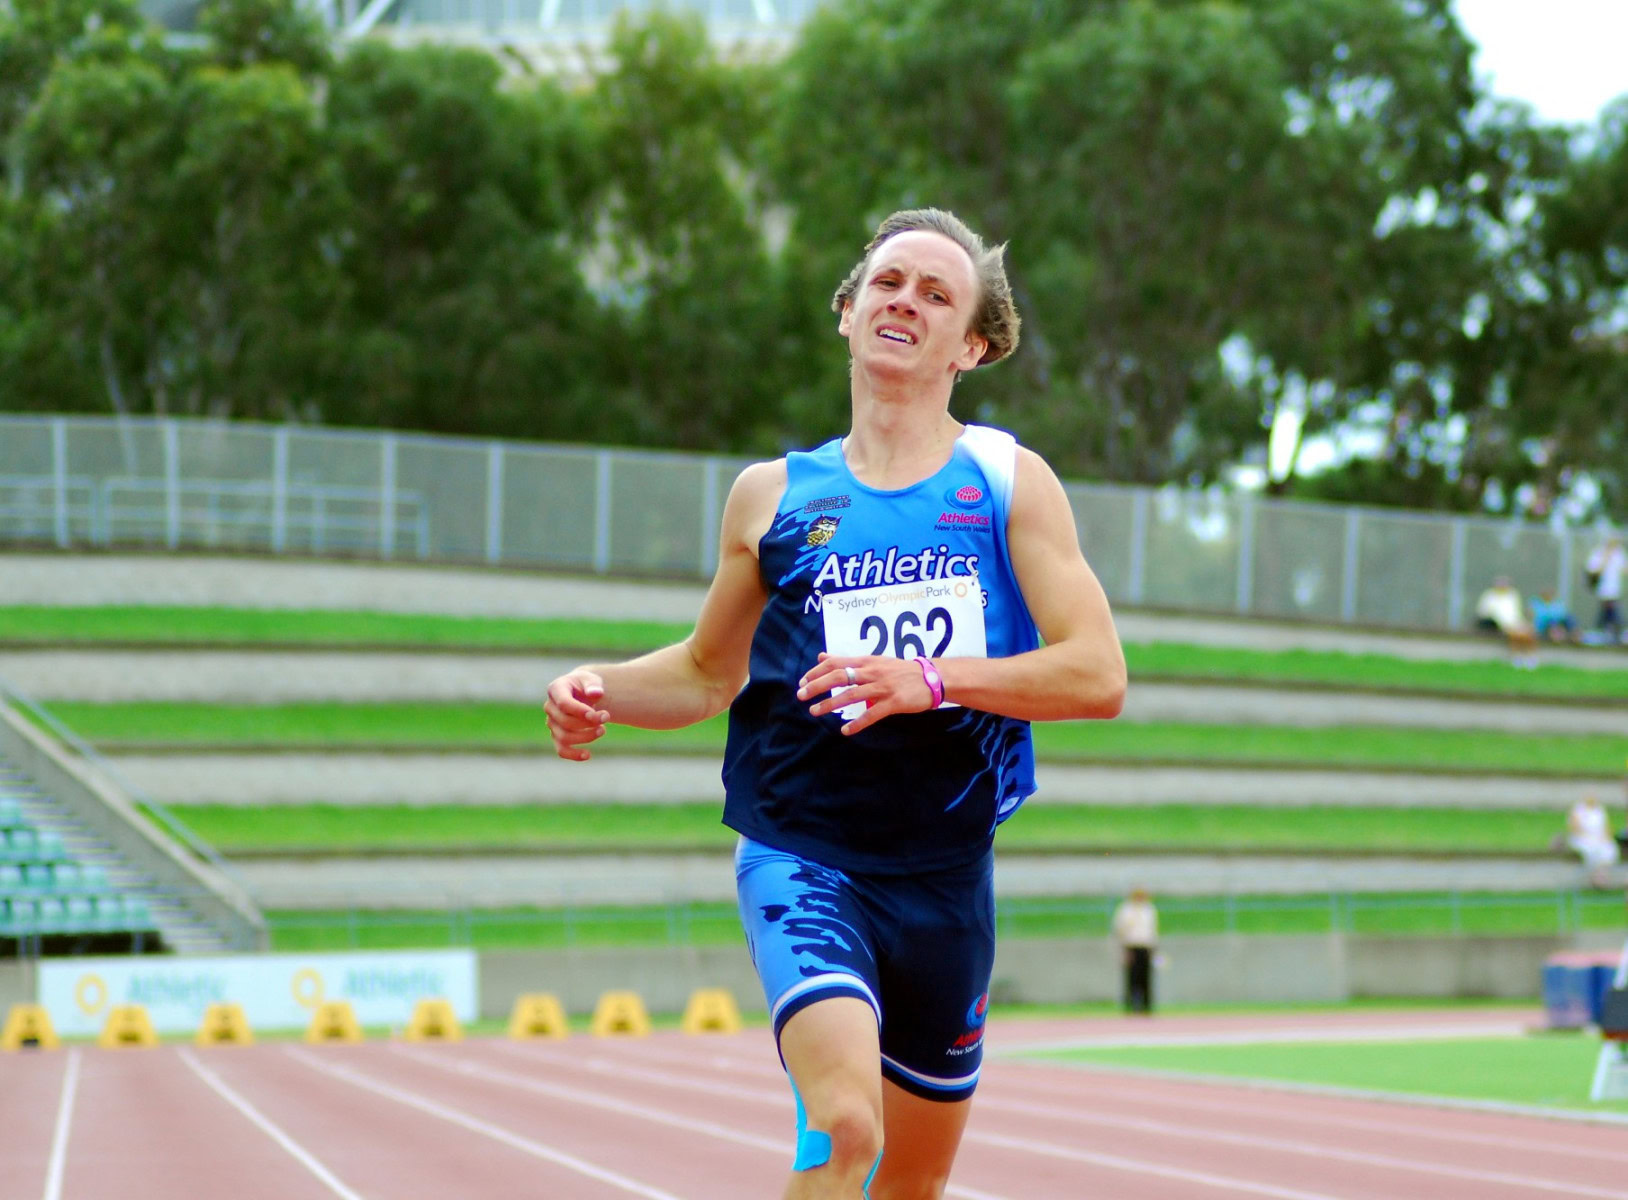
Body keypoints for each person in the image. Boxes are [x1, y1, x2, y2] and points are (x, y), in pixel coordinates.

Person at [544, 208, 1126, 1200]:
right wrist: (597, 689)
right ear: (848, 311)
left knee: (909, 1185)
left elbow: (1096, 674)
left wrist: (930, 680)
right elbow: (707, 672)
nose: (906, 301)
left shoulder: (1005, 482)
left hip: (944, 876)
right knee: (846, 1128)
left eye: (936, 294)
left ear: (972, 346)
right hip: (803, 855)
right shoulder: (771, 496)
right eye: (888, 282)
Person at [1555, 795, 1621, 889]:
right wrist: (1589, 836)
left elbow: (1607, 828)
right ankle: (1595, 876)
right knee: (1591, 849)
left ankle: (1602, 875)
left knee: (1609, 848)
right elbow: (1575, 828)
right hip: (1582, 838)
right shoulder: (1578, 810)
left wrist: (1605, 837)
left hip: (1599, 838)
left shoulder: (1599, 810)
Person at [1111, 887, 1158, 1015]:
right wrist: (1124, 949)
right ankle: (1131, 1005)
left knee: (1146, 977)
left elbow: (1152, 930)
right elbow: (1120, 929)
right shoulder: (1125, 910)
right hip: (1131, 946)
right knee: (1132, 978)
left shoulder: (1149, 909)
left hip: (1146, 946)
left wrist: (1153, 948)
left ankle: (1147, 1006)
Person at [1473, 576, 1539, 667]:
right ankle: (1517, 656)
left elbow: (1517, 612)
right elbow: (1483, 612)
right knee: (1516, 634)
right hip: (1499, 623)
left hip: (1515, 621)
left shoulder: (1513, 595)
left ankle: (1530, 656)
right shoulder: (1489, 596)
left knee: (1529, 633)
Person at [1583, 536, 1625, 645]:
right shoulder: (1598, 554)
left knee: (1609, 612)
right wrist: (1606, 557)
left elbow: (1624, 569)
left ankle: (1608, 632)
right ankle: (1604, 632)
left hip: (1615, 590)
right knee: (1609, 612)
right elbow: (1593, 571)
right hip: (1602, 590)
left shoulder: (1618, 554)